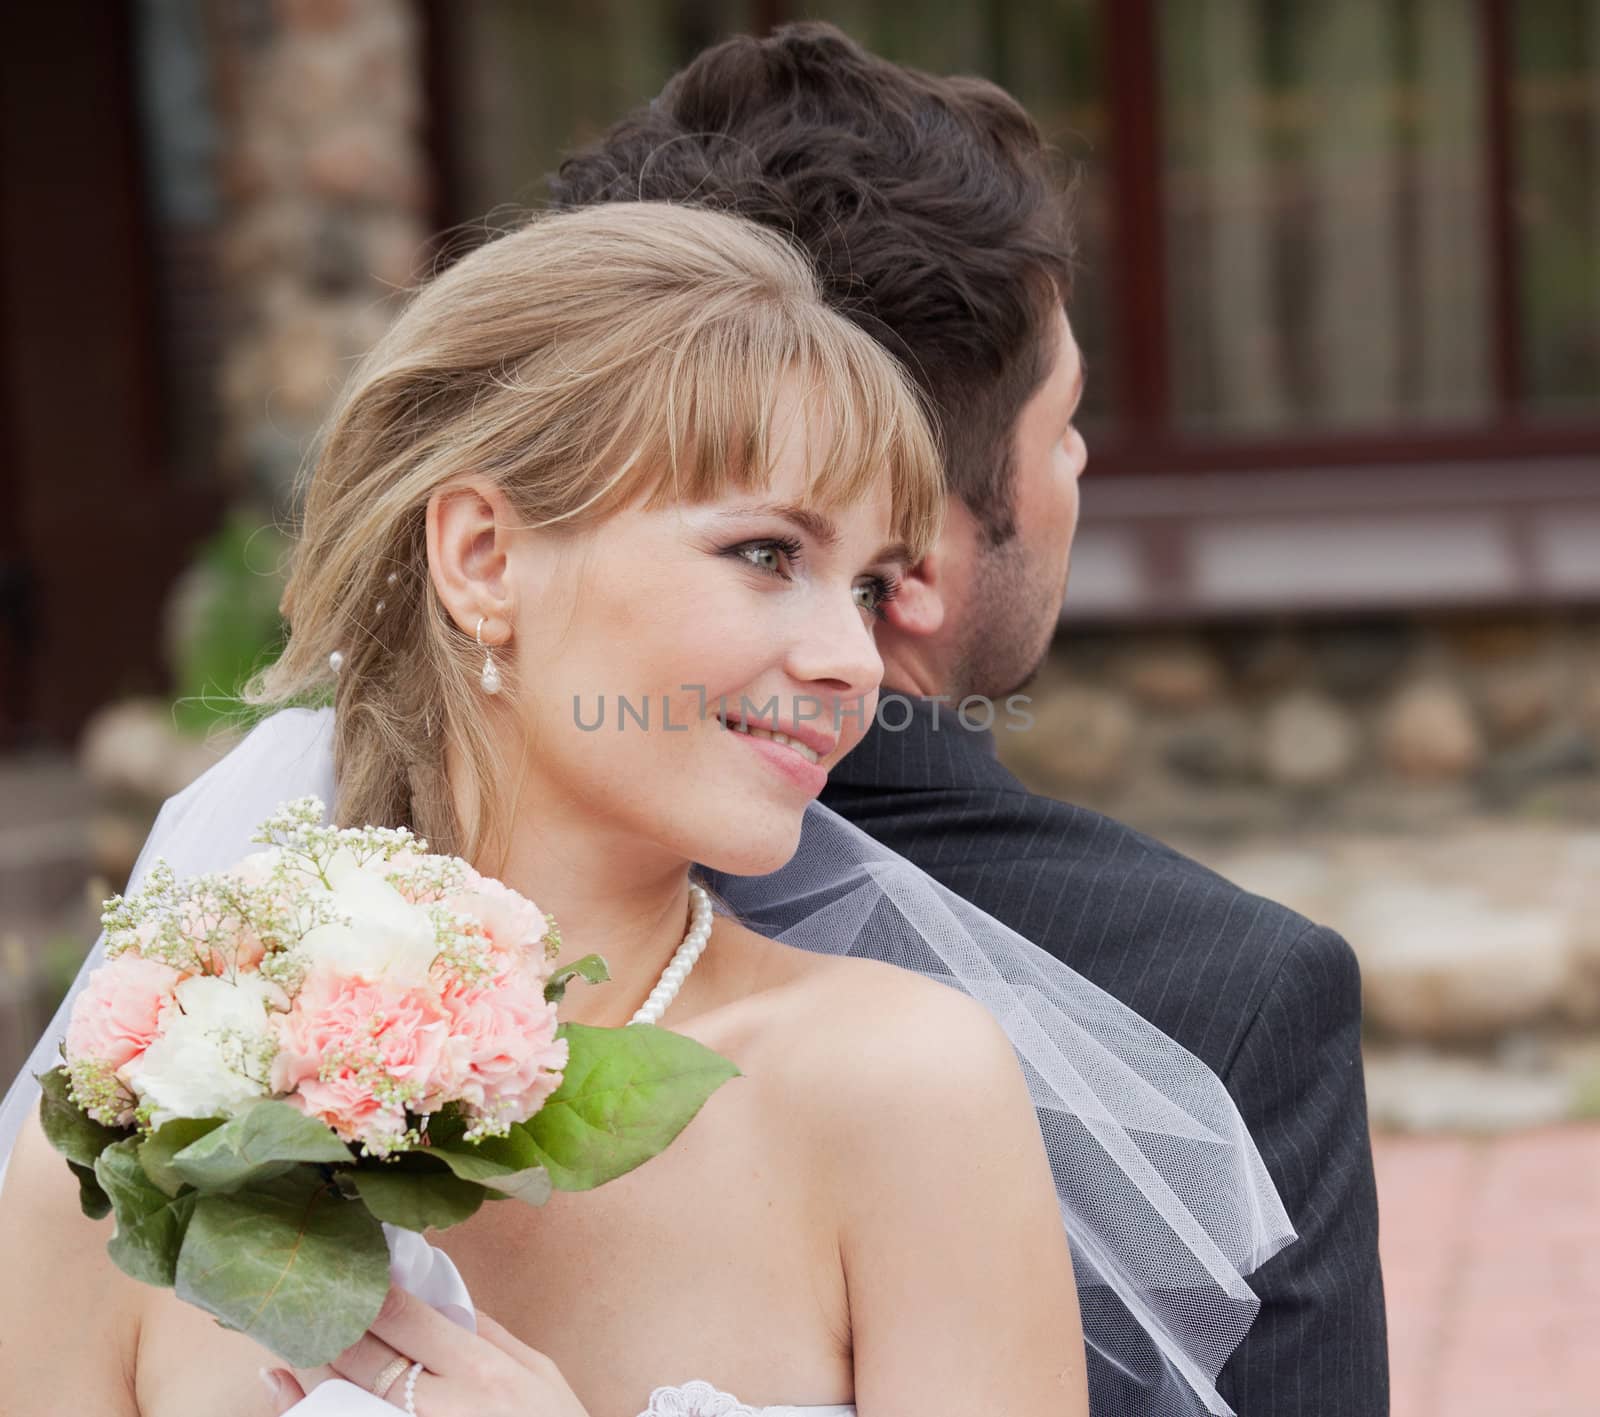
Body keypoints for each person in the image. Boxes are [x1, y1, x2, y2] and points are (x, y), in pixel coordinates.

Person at [0, 199, 1285, 1417]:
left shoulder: (899, 1089)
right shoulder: (147, 1123)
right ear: (484, 559)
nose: (850, 656)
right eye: (767, 552)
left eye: (870, 585)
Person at [549, 22, 1388, 1417]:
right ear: (915, 560)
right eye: (1062, 421)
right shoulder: (1231, 1000)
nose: (1079, 465)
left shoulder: (320, 918)